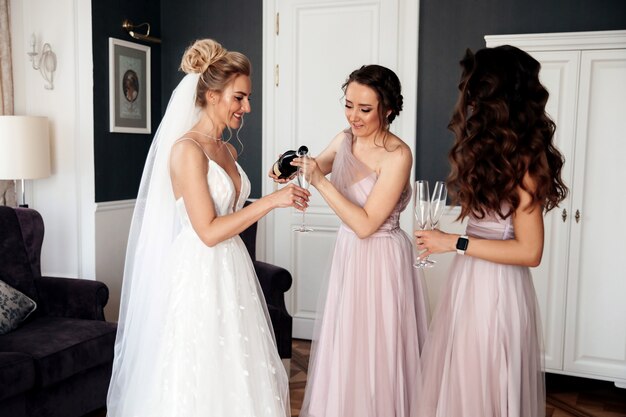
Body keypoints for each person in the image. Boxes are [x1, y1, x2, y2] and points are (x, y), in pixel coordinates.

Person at [106, 39, 309, 417]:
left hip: (233, 268)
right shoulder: (186, 150)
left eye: (247, 98)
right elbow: (208, 231)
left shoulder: (227, 150)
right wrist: (269, 202)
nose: (247, 107)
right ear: (212, 95)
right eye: (239, 98)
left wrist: (272, 190)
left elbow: (228, 210)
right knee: (199, 372)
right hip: (199, 272)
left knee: (238, 366)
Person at [414, 45, 568, 417]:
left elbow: (530, 252)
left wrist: (454, 242)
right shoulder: (488, 150)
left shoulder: (526, 164)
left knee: (488, 381)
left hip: (498, 290)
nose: (467, 99)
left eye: (475, 89)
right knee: (464, 380)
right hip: (470, 281)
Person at [273, 64, 429, 417]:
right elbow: (315, 164)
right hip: (349, 256)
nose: (353, 117)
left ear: (388, 109)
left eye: (364, 109)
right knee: (348, 345)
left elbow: (366, 224)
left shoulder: (397, 155)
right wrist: (287, 166)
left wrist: (319, 181)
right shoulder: (346, 138)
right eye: (348, 105)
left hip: (383, 258)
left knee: (380, 349)